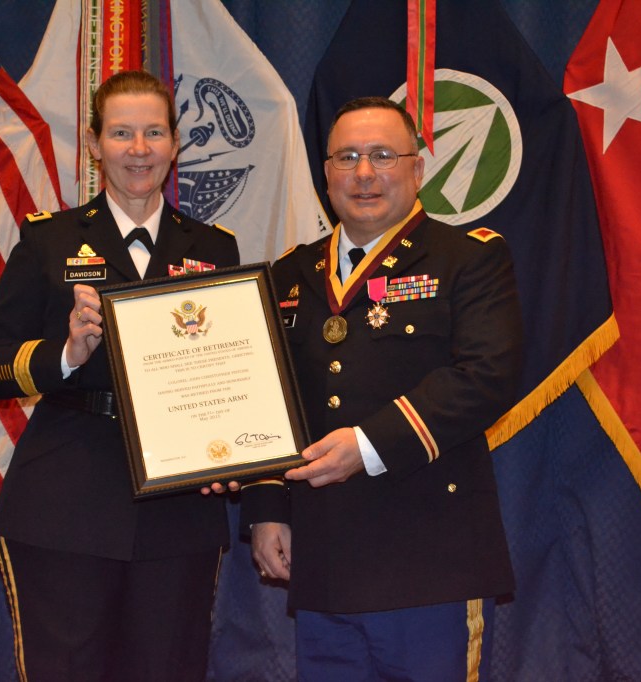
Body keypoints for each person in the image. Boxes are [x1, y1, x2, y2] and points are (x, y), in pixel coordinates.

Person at [0, 70, 239, 682]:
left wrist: (232, 453)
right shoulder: (50, 240)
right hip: (66, 500)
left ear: (175, 143)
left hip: (177, 508)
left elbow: (229, 373)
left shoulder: (215, 249)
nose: (138, 150)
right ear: (94, 144)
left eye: (153, 133)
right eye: (121, 133)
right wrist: (66, 354)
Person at [241, 96, 523, 680]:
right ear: (326, 174)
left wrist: (366, 445)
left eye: (382, 156)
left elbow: (487, 375)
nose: (364, 173)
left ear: (417, 169)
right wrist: (266, 506)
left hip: (430, 560)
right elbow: (269, 397)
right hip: (323, 560)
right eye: (346, 158)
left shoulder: (467, 259)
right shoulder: (289, 274)